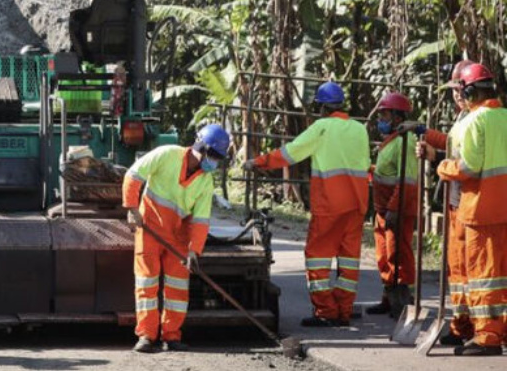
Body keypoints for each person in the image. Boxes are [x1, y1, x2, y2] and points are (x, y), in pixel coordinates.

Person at [245, 81, 370, 327]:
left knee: (318, 258)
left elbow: (291, 153)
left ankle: (325, 312)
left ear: (321, 107)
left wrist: (258, 162)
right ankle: (343, 311)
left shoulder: (322, 128)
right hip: (357, 205)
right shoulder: (359, 129)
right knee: (348, 260)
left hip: (330, 205)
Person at [123, 124, 231, 353]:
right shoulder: (167, 154)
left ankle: (171, 336)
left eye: (217, 158)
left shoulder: (205, 181)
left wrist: (194, 251)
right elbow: (133, 175)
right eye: (212, 156)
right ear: (199, 147)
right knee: (146, 283)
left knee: (178, 288)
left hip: (179, 237)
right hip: (150, 228)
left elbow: (201, 220)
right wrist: (132, 208)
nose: (213, 162)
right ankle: (146, 336)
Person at [436, 63, 507, 355]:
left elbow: (469, 166)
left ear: (468, 90)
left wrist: (443, 166)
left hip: (480, 209)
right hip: (502, 208)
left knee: (484, 276)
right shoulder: (503, 116)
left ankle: (487, 338)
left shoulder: (475, 121)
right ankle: (496, 329)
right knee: (501, 272)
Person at [415, 60, 475, 346]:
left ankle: (476, 326)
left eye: (459, 90)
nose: (455, 95)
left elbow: (467, 163)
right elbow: (452, 145)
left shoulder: (477, 120)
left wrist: (436, 159)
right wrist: (426, 135)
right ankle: (462, 324)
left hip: (468, 202)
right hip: (456, 202)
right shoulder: (463, 118)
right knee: (458, 270)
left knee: (470, 269)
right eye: (453, 90)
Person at [366, 92, 419, 315]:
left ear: (398, 118)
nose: (381, 120)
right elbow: (386, 173)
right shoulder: (390, 142)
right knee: (384, 255)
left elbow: (406, 180)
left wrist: (394, 209)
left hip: (396, 210)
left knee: (399, 254)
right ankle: (389, 296)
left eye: (385, 115)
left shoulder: (405, 141)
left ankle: (404, 302)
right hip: (383, 209)